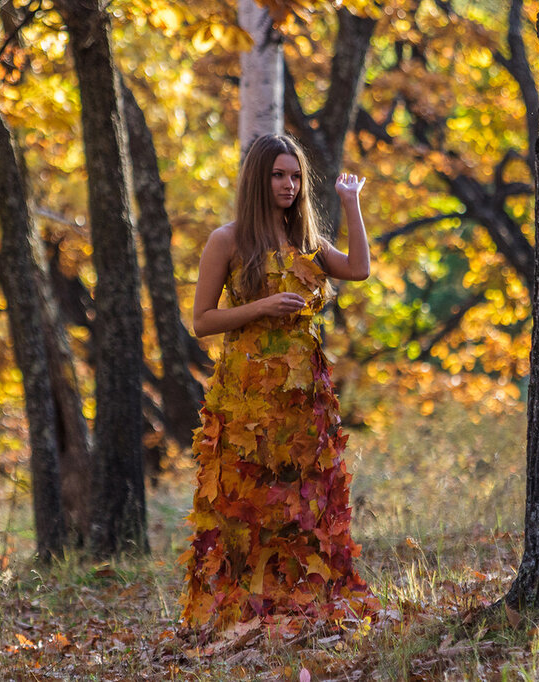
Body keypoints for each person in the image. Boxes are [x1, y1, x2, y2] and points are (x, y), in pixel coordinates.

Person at [178, 134, 377, 632]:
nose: (288, 185)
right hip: (246, 395)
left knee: (302, 498)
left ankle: (301, 604)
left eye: (295, 176)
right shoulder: (228, 240)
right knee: (248, 499)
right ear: (257, 179)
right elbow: (202, 320)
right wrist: (261, 307)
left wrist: (350, 202)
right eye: (277, 175)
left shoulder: (308, 242)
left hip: (304, 395)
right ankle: (240, 609)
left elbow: (359, 269)